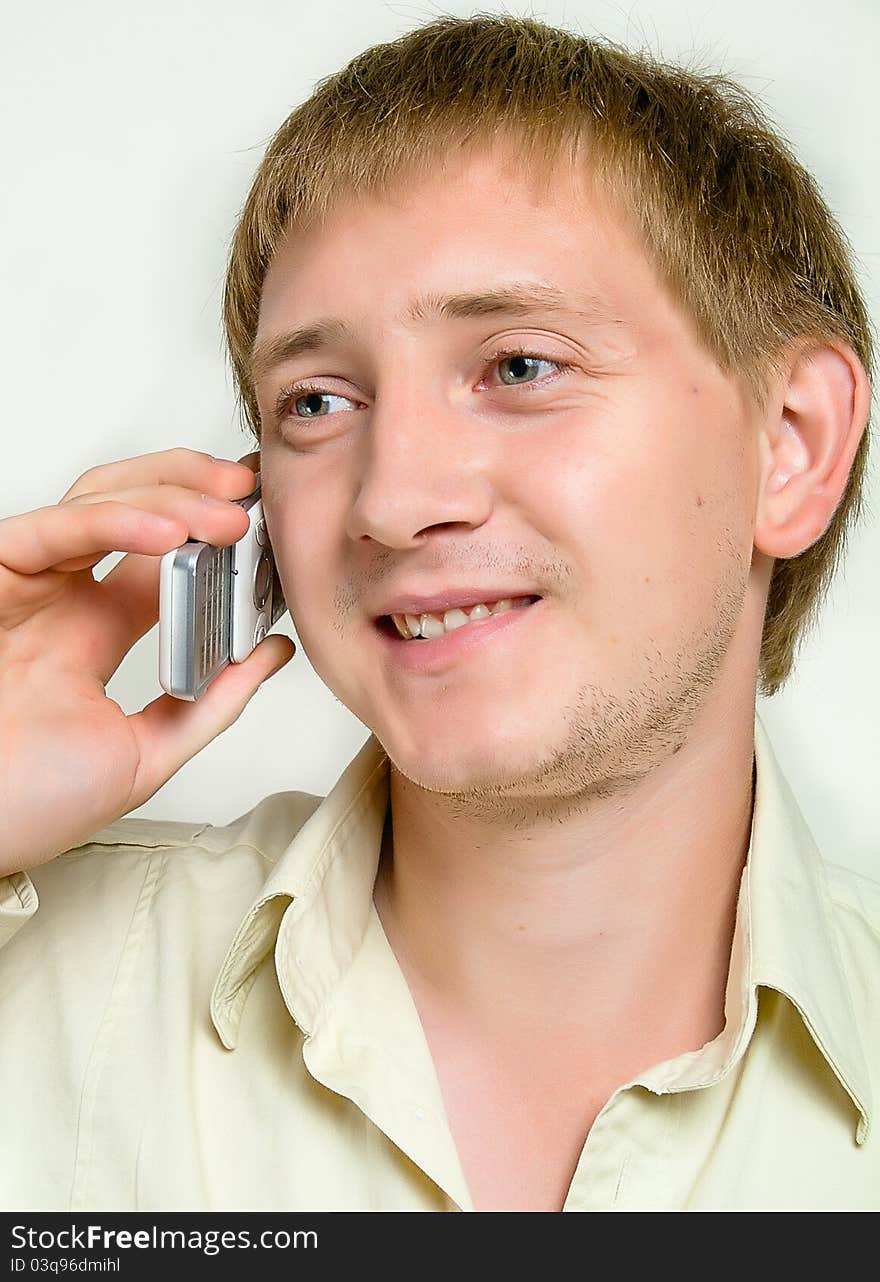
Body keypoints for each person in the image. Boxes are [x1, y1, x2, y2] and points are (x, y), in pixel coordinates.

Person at [0, 13, 876, 1213]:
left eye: (520, 366)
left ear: (790, 446)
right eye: (315, 400)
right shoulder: (40, 997)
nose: (393, 501)